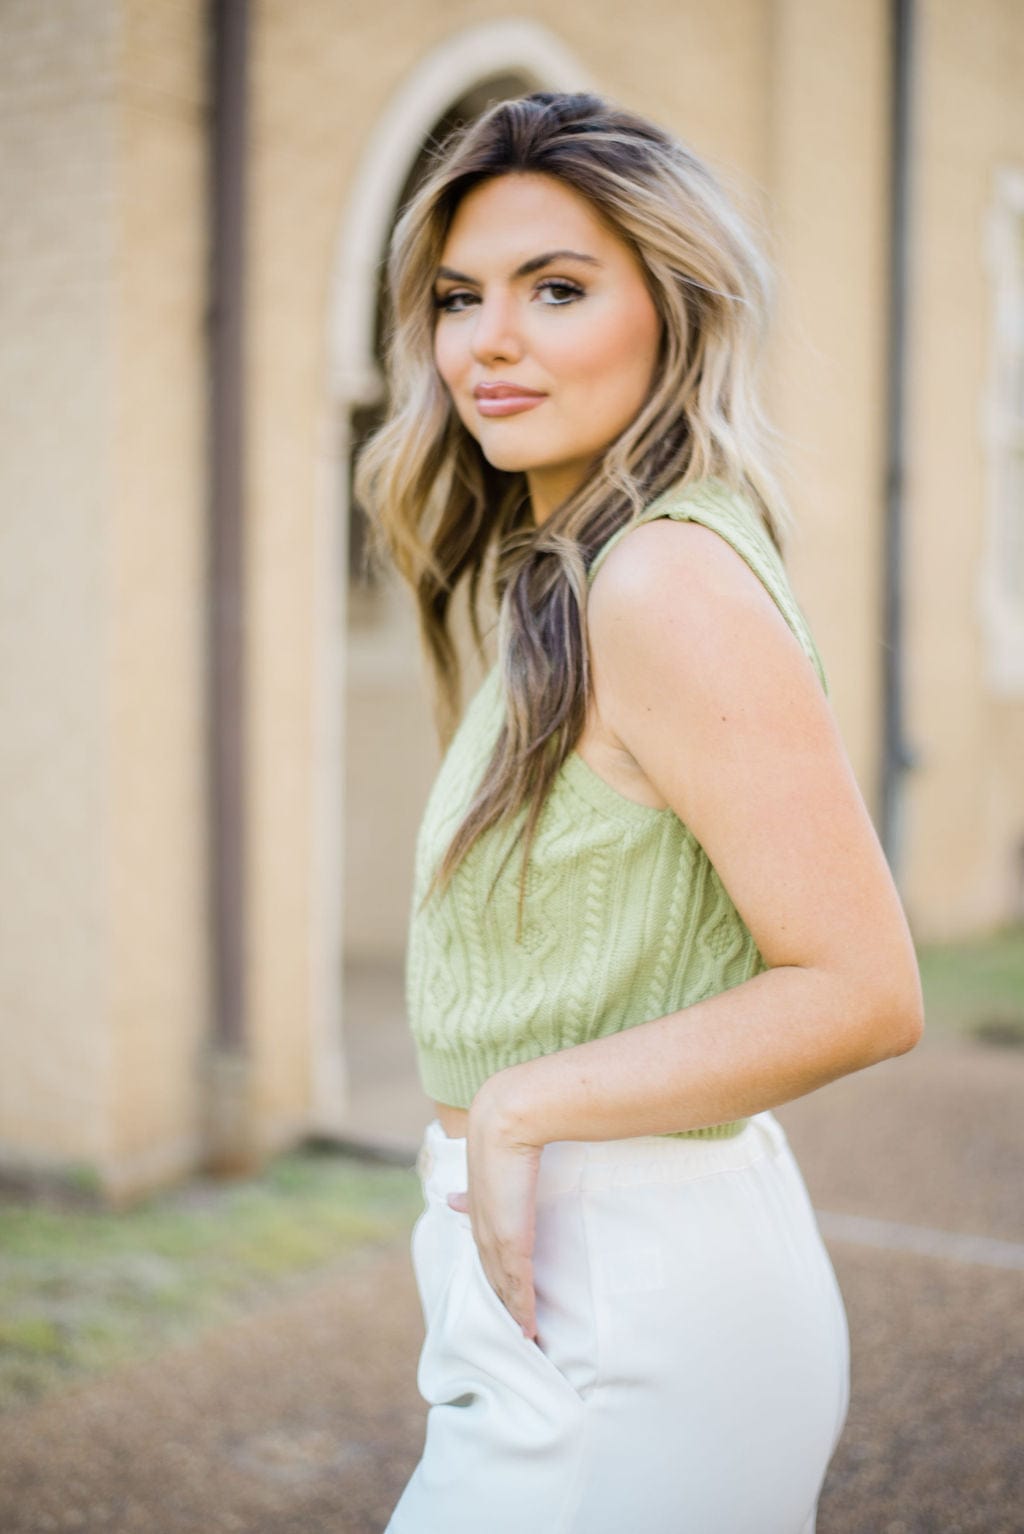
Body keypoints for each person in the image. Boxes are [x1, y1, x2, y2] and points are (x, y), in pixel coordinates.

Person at [355, 90, 924, 1534]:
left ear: (672, 311)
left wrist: (521, 1105)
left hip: (630, 1304)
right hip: (603, 1283)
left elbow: (862, 986)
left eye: (557, 289)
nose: (490, 339)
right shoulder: (578, 574)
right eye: (459, 296)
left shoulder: (660, 582)